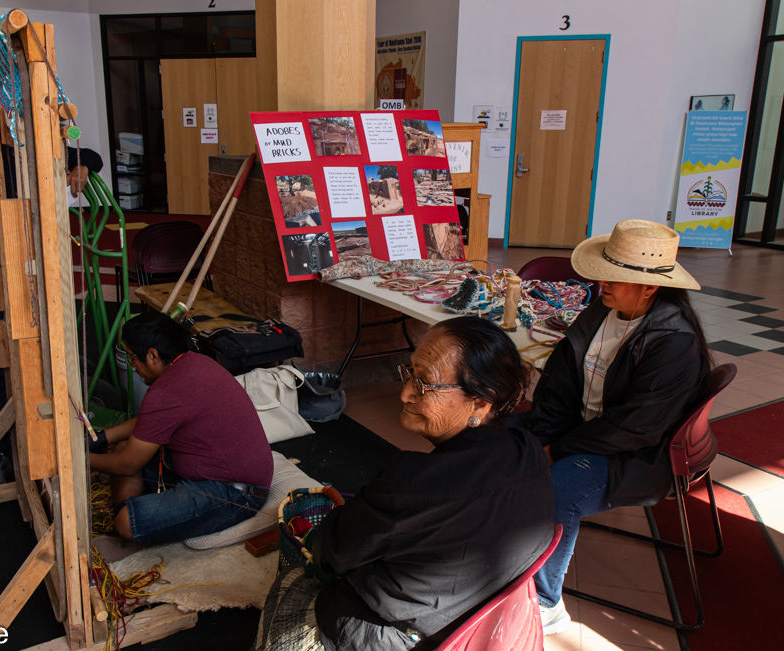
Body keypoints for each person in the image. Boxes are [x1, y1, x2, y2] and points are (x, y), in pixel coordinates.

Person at [255, 317, 554, 651]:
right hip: (472, 625)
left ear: (481, 403)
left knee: (292, 583)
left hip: (396, 637)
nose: (406, 392)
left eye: (424, 383)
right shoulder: (527, 449)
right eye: (409, 371)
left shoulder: (411, 481)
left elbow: (330, 553)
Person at [517, 219, 711, 634]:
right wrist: (541, 438)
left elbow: (636, 428)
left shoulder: (673, 341)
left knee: (558, 489)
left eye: (616, 276)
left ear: (650, 288)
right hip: (582, 432)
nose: (602, 281)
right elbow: (557, 387)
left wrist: (557, 449)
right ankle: (500, 552)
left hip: (634, 455)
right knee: (500, 443)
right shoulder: (601, 311)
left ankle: (546, 603)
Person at [0, 92, 102, 487]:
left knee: (51, 348)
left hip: (37, 266)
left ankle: (51, 440)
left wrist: (83, 164)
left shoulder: (31, 146)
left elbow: (88, 155)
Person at [89, 311, 273, 543]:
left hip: (235, 493)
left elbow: (128, 464)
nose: (133, 365)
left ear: (153, 355)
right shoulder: (195, 361)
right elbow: (152, 421)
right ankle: (142, 520)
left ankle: (134, 524)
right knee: (122, 446)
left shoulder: (165, 392)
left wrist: (79, 459)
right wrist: (101, 438)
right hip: (219, 473)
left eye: (132, 357)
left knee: (126, 521)